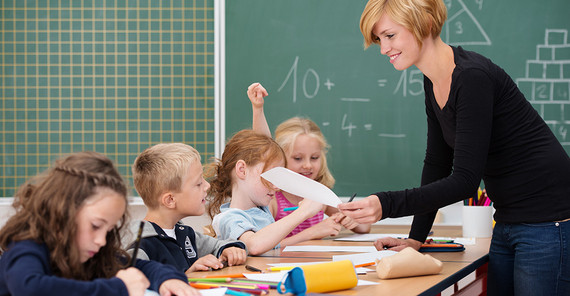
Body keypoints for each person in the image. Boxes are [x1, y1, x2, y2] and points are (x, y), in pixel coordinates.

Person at [337, 0, 570, 295]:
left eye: (390, 35)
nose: (384, 49)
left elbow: (465, 181)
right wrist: (415, 239)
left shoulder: (472, 77)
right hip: (509, 220)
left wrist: (385, 204)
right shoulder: (433, 81)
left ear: (425, 24)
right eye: (379, 39)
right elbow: (437, 162)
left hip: (548, 222)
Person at [0, 151, 199, 296]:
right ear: (62, 212)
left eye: (109, 229)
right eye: (95, 226)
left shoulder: (89, 253)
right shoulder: (27, 247)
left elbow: (140, 267)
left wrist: (168, 279)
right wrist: (119, 288)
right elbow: (30, 288)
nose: (102, 241)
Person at [247, 82, 371, 240]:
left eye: (314, 158)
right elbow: (264, 245)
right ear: (279, 159)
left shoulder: (320, 195)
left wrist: (352, 220)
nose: (307, 165)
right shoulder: (272, 199)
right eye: (298, 158)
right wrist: (313, 232)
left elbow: (365, 227)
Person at [129, 143, 248, 276]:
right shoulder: (141, 246)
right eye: (198, 183)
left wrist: (230, 250)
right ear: (170, 200)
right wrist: (187, 276)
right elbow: (134, 287)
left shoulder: (183, 233)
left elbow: (218, 245)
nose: (207, 185)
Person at [206, 129, 325, 255]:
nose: (276, 186)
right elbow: (254, 245)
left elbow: (262, 142)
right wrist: (303, 212)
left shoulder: (261, 210)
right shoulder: (229, 218)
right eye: (271, 176)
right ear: (242, 170)